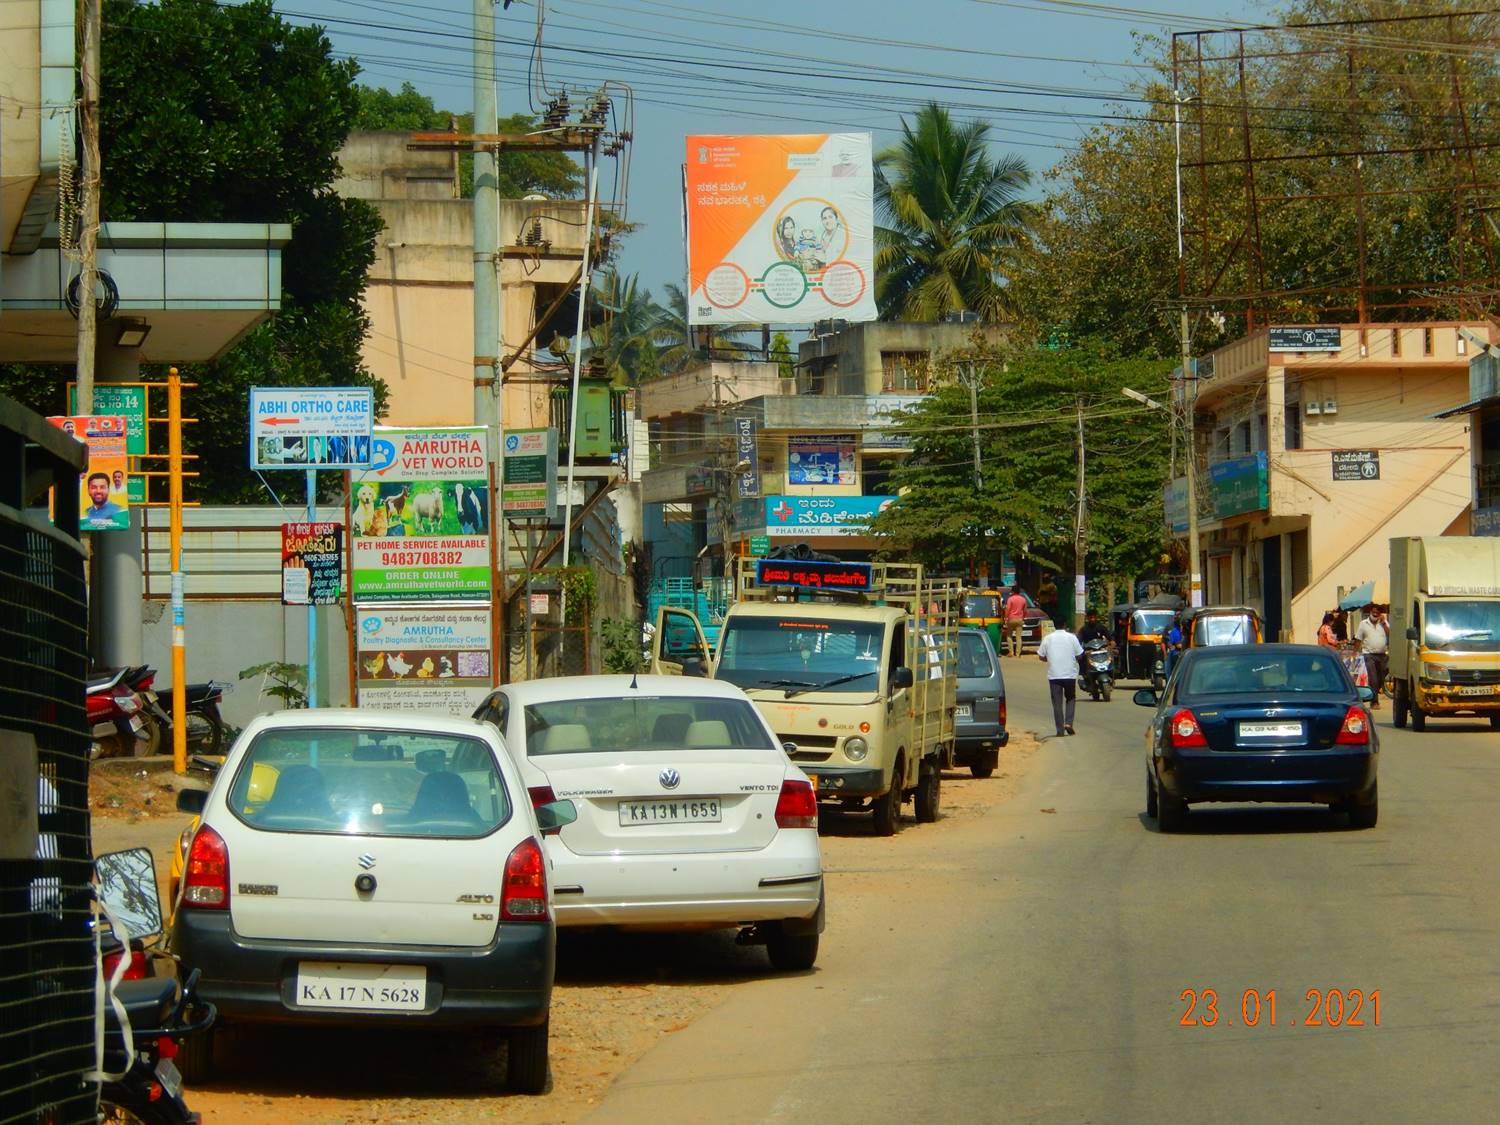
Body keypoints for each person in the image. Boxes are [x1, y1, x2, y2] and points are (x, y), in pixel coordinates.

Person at [1038, 622, 1084, 736]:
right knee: (1070, 698)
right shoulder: (1072, 637)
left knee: (1057, 703)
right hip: (1069, 674)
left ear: (1054, 625)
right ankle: (1068, 723)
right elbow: (1080, 654)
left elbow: (1041, 656)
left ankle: (1059, 730)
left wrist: (1049, 659)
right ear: (1065, 625)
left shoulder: (1048, 638)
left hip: (1054, 675)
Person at [1354, 602, 1389, 708]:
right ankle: (1374, 701)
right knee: (1373, 679)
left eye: (1377, 613)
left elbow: (1390, 634)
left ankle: (1373, 693)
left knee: (1382, 678)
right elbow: (1358, 639)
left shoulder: (1383, 623)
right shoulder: (1363, 624)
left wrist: (1383, 623)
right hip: (1369, 655)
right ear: (1370, 612)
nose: (1375, 614)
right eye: (1373, 612)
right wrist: (1355, 653)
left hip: (1382, 655)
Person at [1003, 587, 1028, 658]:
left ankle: (1011, 652)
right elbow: (1025, 610)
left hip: (1011, 619)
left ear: (1013, 592)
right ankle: (1018, 654)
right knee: (1018, 637)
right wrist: (1023, 617)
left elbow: (1008, 609)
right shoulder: (1023, 599)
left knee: (1009, 636)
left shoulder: (1010, 599)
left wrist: (1005, 617)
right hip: (1020, 619)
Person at [1163, 612, 1185, 680]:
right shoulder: (1173, 630)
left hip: (1185, 654)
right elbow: (1166, 642)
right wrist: (1165, 654)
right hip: (1175, 654)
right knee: (1169, 672)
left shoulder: (1187, 630)